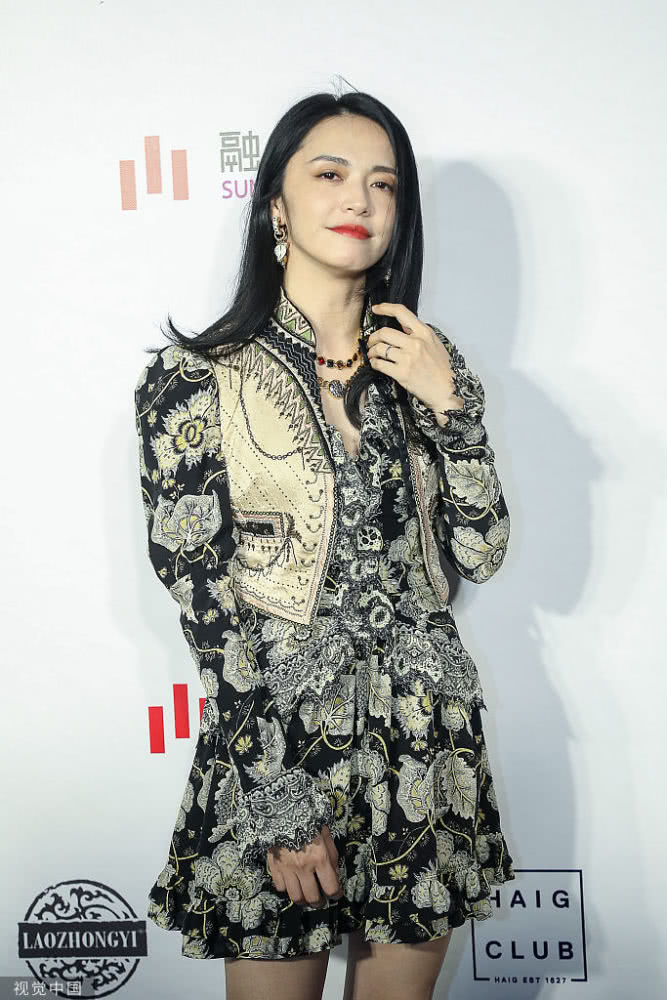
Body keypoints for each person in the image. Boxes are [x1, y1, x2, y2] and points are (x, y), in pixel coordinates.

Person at [134, 87, 516, 1000]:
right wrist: (273, 794)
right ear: (276, 203)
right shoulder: (196, 378)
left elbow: (482, 551)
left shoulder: (426, 364)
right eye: (330, 174)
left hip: (423, 743)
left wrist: (453, 411)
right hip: (276, 742)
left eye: (383, 184)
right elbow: (207, 609)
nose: (359, 200)